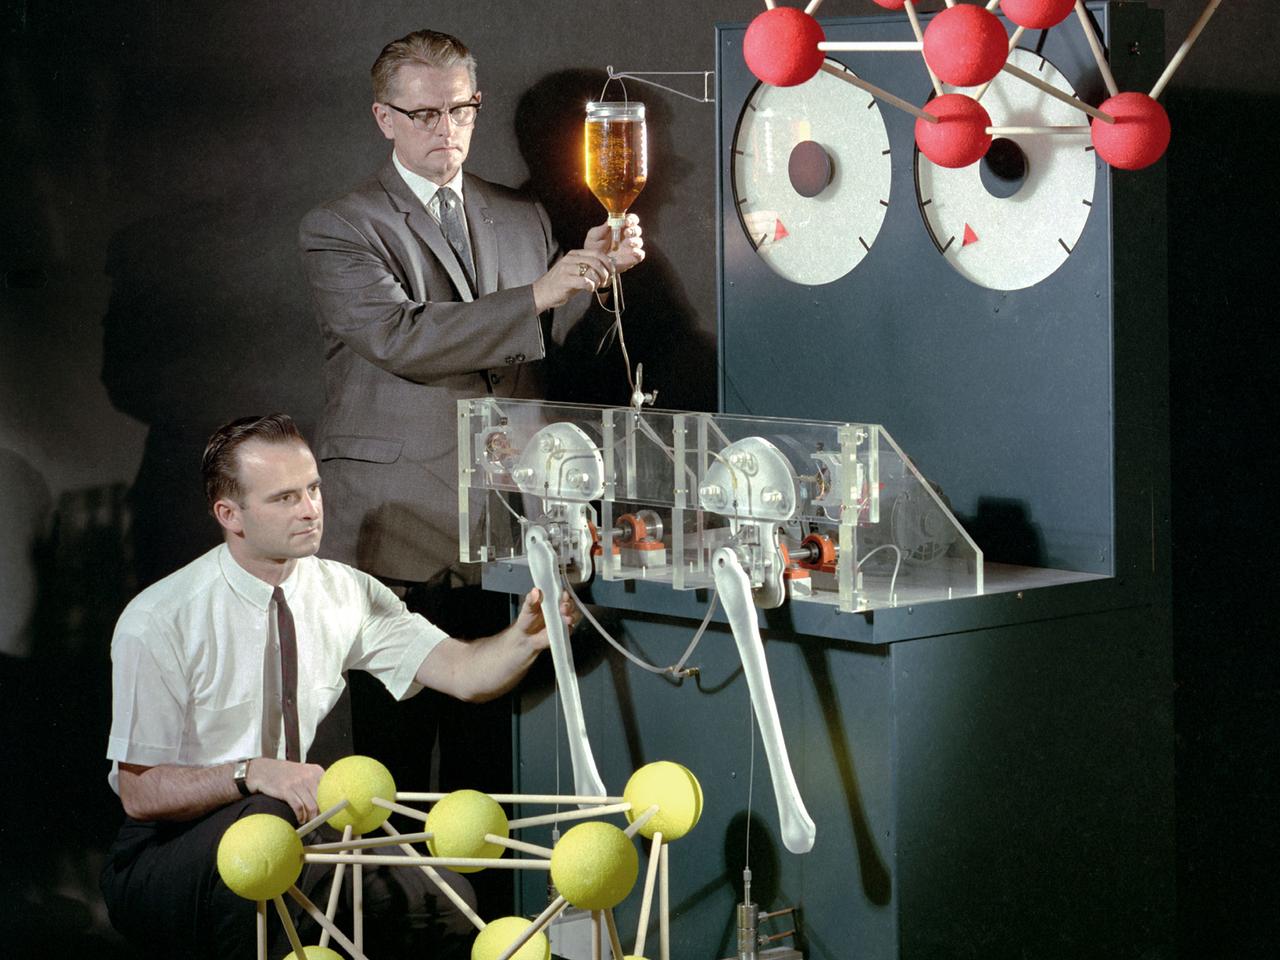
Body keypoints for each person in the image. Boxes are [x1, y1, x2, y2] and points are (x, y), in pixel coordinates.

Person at [296, 28, 644, 835]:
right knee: (389, 778)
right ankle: (386, 930)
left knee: (492, 773)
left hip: (503, 529)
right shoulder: (340, 226)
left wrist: (591, 275)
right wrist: (537, 294)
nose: (443, 130)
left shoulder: (520, 216)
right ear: (384, 118)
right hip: (399, 531)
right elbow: (401, 336)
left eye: (460, 111)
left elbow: (540, 349)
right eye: (422, 115)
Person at [99, 413, 574, 960]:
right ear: (230, 515)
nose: (310, 509)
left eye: (313, 489)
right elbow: (139, 793)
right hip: (163, 858)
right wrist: (249, 772)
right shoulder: (160, 618)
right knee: (267, 830)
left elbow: (464, 674)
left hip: (290, 838)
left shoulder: (344, 591)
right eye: (283, 498)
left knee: (444, 902)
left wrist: (526, 639)